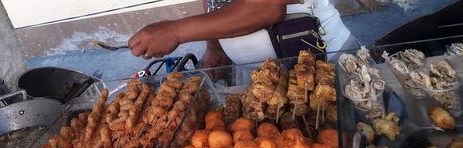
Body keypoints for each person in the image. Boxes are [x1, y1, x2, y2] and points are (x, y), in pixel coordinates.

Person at [128, 0, 359, 67]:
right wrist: (214, 46)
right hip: (261, 74)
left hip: (328, 61)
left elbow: (268, 7)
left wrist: (175, 31)